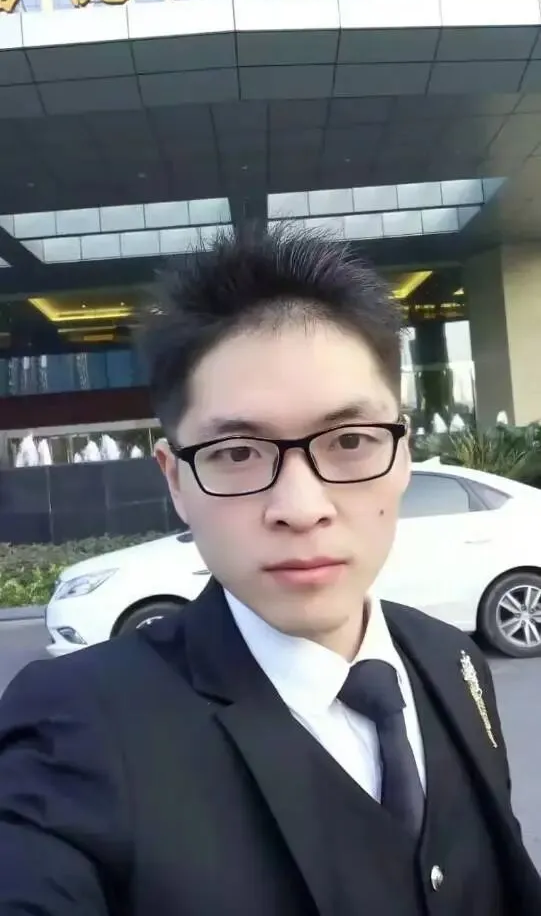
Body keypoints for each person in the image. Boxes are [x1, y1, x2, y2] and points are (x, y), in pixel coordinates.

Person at [0, 227, 539, 916]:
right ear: (176, 480)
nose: (301, 508)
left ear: (403, 454)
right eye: (236, 453)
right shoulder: (77, 729)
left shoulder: (450, 661)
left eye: (350, 441)